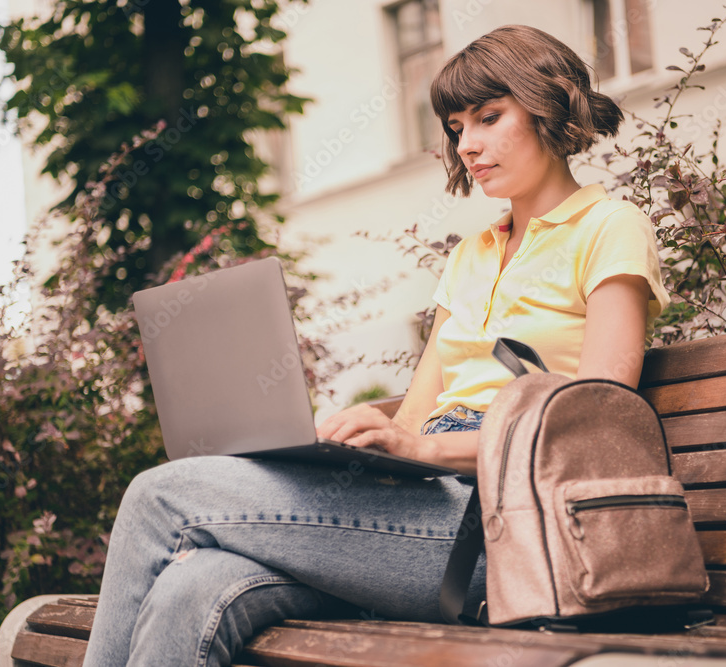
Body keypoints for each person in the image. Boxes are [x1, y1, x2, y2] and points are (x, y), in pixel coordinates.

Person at [82, 24, 669, 667]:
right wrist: (358, 441)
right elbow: (416, 419)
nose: (468, 145)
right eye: (454, 128)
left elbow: (594, 429)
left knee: (159, 494)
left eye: (488, 118)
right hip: (420, 514)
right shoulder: (472, 255)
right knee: (190, 587)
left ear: (548, 104)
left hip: (509, 532)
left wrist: (422, 447)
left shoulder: (609, 226)